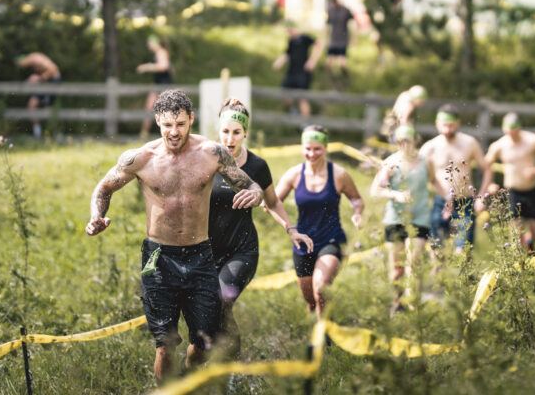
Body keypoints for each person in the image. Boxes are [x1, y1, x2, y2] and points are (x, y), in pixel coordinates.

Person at [85, 89, 264, 383]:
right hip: (157, 257)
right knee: (165, 344)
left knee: (203, 342)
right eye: (168, 125)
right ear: (158, 121)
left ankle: (189, 381)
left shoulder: (212, 153)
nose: (174, 132)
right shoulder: (140, 159)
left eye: (180, 124)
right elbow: (103, 188)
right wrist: (95, 216)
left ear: (191, 119)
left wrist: (254, 195)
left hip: (201, 255)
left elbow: (251, 185)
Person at [210, 97, 313, 357]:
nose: (229, 139)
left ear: (245, 132)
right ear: (218, 131)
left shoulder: (257, 166)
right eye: (225, 132)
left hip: (241, 251)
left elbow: (273, 202)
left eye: (236, 133)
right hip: (206, 252)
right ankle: (212, 358)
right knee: (209, 311)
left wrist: (291, 229)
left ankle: (231, 369)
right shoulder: (205, 162)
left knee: (222, 301)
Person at [275, 125, 364, 319]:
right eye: (307, 148)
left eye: (317, 149)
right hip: (302, 243)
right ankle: (316, 328)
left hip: (331, 239)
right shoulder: (294, 174)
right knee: (311, 301)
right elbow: (273, 202)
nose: (312, 153)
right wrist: (288, 226)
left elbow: (356, 198)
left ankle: (325, 335)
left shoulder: (339, 174)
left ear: (325, 148)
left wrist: (357, 213)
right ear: (302, 148)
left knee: (321, 288)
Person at [371, 124, 443, 314]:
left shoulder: (425, 162)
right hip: (395, 218)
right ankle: (397, 304)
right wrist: (396, 194)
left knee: (414, 264)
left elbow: (434, 181)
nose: (404, 145)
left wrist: (449, 200)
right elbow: (375, 190)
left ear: (415, 140)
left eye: (408, 141)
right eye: (400, 141)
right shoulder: (390, 163)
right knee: (397, 270)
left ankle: (415, 309)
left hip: (419, 217)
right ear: (396, 142)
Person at [419, 104, 492, 255]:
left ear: (458, 123)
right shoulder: (429, 147)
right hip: (441, 202)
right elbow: (419, 175)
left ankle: (465, 278)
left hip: (464, 202)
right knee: (437, 250)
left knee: (463, 251)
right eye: (444, 125)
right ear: (437, 124)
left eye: (451, 125)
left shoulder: (469, 143)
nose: (447, 130)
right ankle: (439, 278)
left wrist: (481, 197)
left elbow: (487, 169)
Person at [482, 112, 535, 252]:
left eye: (515, 131)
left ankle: (528, 244)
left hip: (531, 190)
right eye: (509, 132)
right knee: (516, 232)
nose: (512, 135)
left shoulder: (532, 140)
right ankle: (519, 262)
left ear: (519, 128)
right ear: (504, 130)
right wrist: (490, 184)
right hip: (512, 192)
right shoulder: (499, 145)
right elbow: (486, 165)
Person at [272, 21, 322, 118]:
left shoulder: (304, 38)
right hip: (292, 72)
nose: (290, 31)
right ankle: (294, 110)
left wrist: (312, 60)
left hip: (303, 73)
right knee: (283, 93)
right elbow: (287, 54)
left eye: (291, 29)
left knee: (303, 99)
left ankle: (305, 123)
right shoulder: (291, 41)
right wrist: (279, 62)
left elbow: (318, 44)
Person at [16, 52, 61, 138]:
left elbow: (53, 69)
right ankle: (38, 133)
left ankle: (52, 133)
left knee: (47, 109)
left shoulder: (36, 59)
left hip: (53, 81)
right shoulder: (32, 61)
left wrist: (39, 78)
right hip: (45, 82)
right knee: (31, 105)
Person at [137, 34, 172, 139]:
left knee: (166, 110)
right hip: (158, 85)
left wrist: (147, 67)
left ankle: (144, 134)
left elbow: (164, 66)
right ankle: (144, 134)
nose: (149, 45)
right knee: (151, 108)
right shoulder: (159, 52)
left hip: (163, 86)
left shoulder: (161, 52)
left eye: (150, 43)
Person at [325, 0, 354, 89]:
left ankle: (346, 79)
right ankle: (333, 84)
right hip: (333, 40)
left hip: (342, 40)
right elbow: (327, 25)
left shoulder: (345, 10)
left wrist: (354, 38)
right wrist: (325, 39)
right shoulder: (330, 10)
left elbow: (352, 23)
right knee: (328, 65)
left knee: (341, 65)